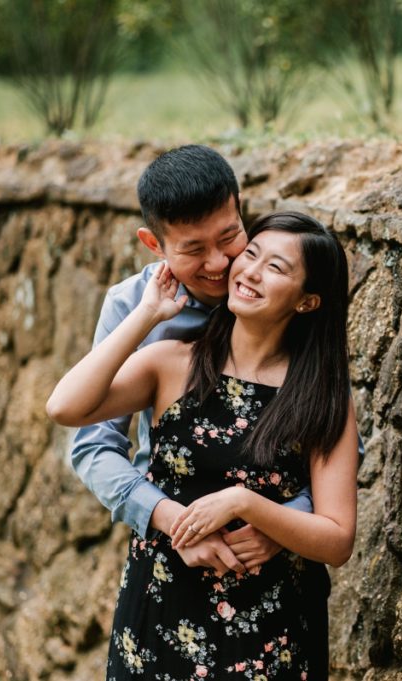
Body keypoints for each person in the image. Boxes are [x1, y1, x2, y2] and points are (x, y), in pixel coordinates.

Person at [47, 212, 358, 679]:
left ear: (308, 301)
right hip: (161, 609)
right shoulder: (172, 362)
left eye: (275, 268)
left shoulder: (322, 395)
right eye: (250, 254)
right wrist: (148, 314)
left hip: (274, 627)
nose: (250, 271)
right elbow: (65, 406)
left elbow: (337, 540)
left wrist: (246, 504)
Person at [71, 144, 312, 578]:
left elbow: (334, 436)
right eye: (193, 249)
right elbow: (92, 441)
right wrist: (170, 520)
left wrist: (282, 523)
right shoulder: (131, 306)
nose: (219, 263)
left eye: (228, 237)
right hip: (172, 553)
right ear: (154, 244)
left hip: (271, 559)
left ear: (241, 211)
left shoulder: (282, 296)